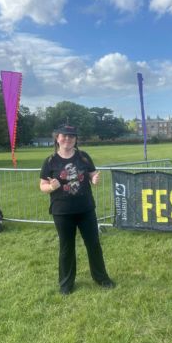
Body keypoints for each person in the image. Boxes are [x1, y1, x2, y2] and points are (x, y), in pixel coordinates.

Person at [40, 124, 115, 295]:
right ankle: (66, 284)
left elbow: (92, 175)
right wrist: (51, 187)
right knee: (67, 247)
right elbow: (42, 185)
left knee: (94, 244)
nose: (68, 139)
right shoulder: (50, 161)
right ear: (57, 138)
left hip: (85, 209)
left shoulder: (83, 157)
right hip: (62, 211)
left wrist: (95, 179)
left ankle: (101, 278)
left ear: (76, 139)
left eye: (72, 136)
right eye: (64, 136)